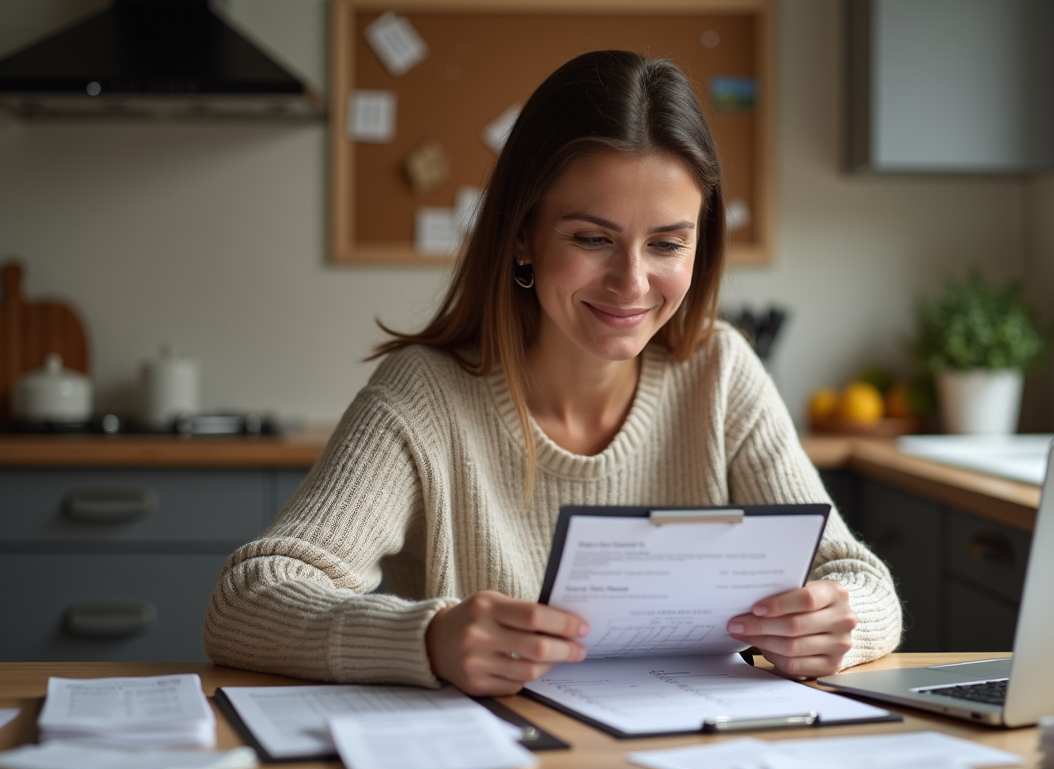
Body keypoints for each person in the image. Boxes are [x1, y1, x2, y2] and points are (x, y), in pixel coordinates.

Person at [204, 50, 901, 696]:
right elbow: (245, 601)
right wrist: (427, 640)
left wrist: (837, 622)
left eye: (666, 244)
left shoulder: (720, 372)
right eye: (592, 238)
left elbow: (860, 581)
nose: (632, 282)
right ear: (521, 236)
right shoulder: (424, 395)